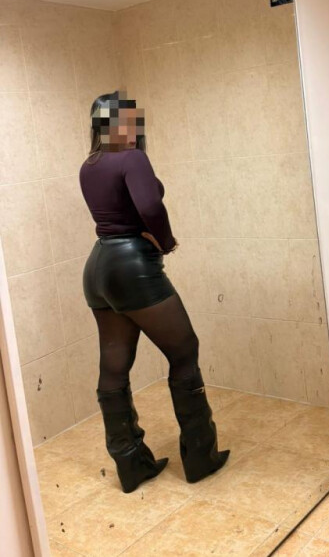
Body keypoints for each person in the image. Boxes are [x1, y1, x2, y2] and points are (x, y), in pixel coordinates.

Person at [79, 90, 229, 493]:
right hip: (132, 267)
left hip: (98, 267)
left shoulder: (89, 165)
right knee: (184, 350)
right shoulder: (131, 158)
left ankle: (132, 465)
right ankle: (200, 457)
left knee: (114, 366)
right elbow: (149, 206)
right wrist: (166, 241)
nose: (131, 126)